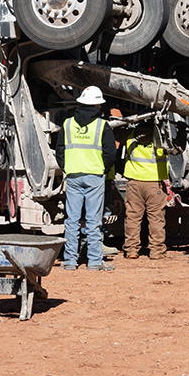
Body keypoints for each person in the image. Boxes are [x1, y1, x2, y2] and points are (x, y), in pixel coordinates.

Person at [55, 85, 117, 271]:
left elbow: (59, 151)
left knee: (72, 220)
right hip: (94, 176)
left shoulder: (67, 124)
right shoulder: (101, 125)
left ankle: (70, 262)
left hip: (73, 176)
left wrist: (67, 167)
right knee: (93, 220)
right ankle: (95, 262)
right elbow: (110, 153)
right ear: (98, 105)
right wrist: (103, 169)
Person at [122, 123, 169, 260]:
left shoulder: (130, 136)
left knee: (132, 218)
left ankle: (131, 249)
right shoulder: (161, 140)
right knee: (156, 218)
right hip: (154, 184)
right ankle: (156, 251)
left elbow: (117, 133)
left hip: (134, 183)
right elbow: (177, 149)